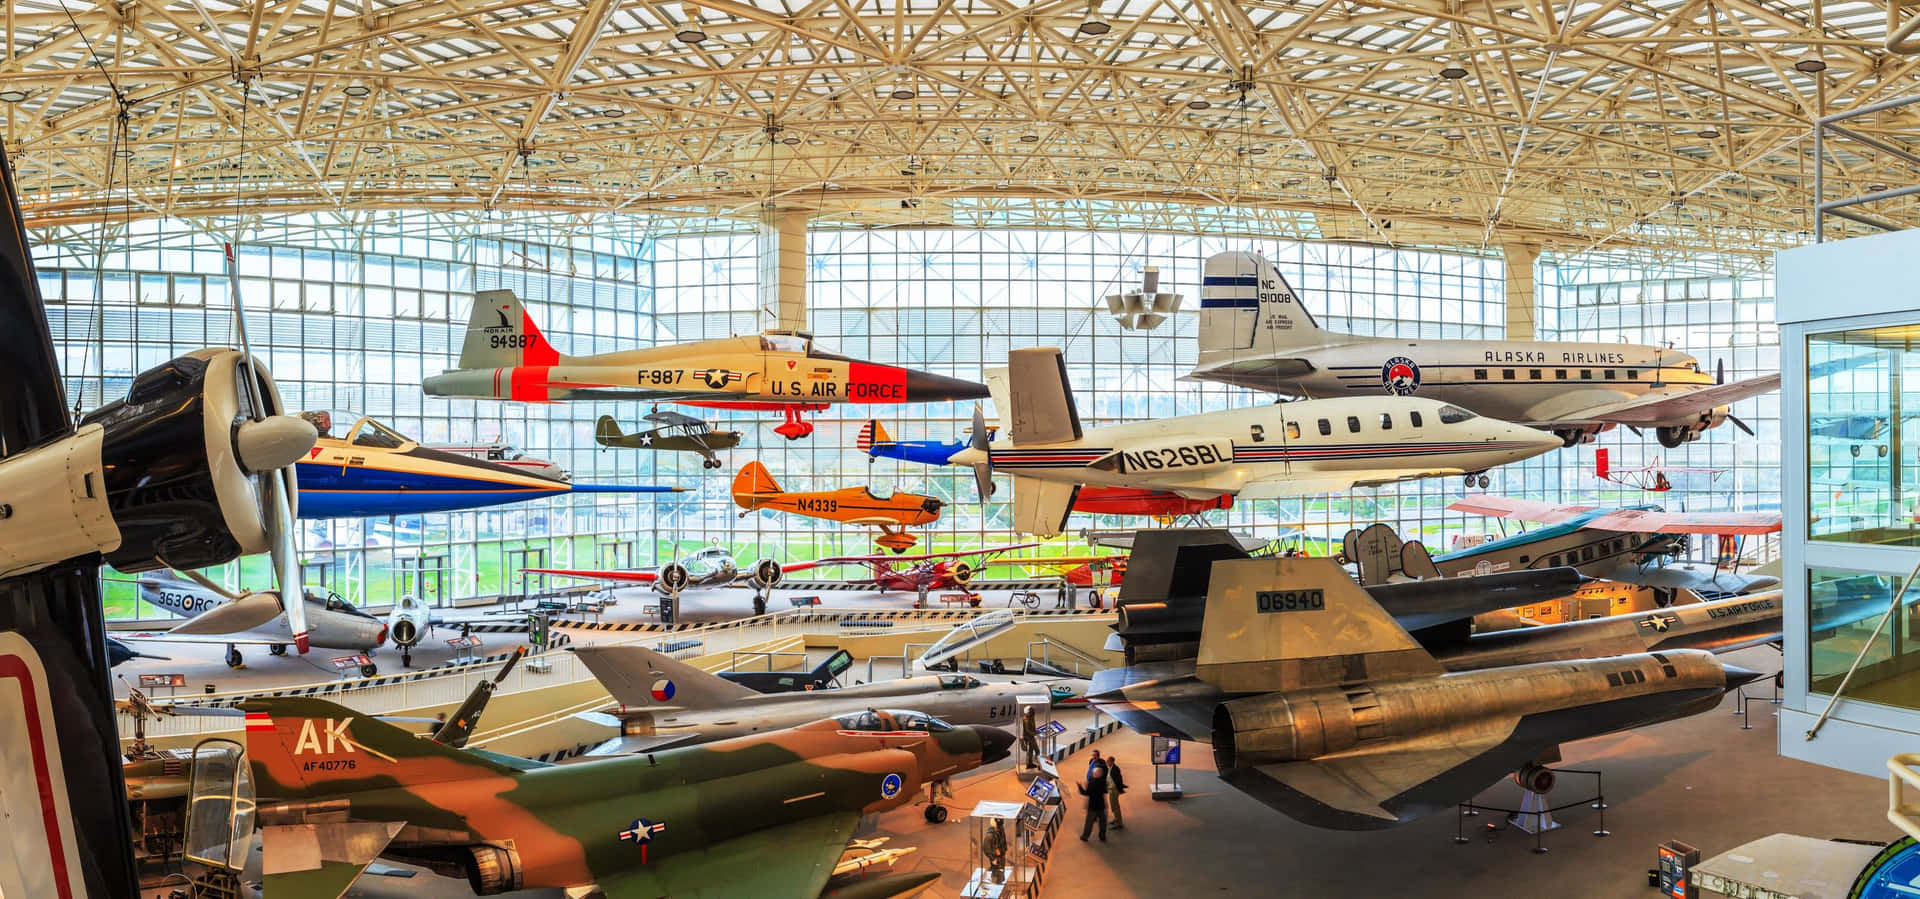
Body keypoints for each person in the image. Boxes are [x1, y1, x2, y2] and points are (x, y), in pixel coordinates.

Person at [1078, 756, 1109, 842]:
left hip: (1092, 807)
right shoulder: (1103, 783)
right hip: (1101, 806)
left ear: (1094, 774)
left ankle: (1085, 836)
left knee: (1089, 823)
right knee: (1103, 823)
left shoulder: (1091, 784)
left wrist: (1080, 787)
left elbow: (1085, 793)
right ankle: (1102, 836)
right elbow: (1106, 791)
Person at [1105, 756, 1127, 830]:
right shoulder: (1110, 768)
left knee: (1115, 806)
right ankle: (1116, 819)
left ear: (1112, 762)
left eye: (1107, 761)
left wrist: (1120, 789)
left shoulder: (1115, 769)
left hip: (1114, 790)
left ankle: (1119, 823)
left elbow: (1119, 780)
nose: (1106, 762)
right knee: (1113, 805)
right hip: (1111, 790)